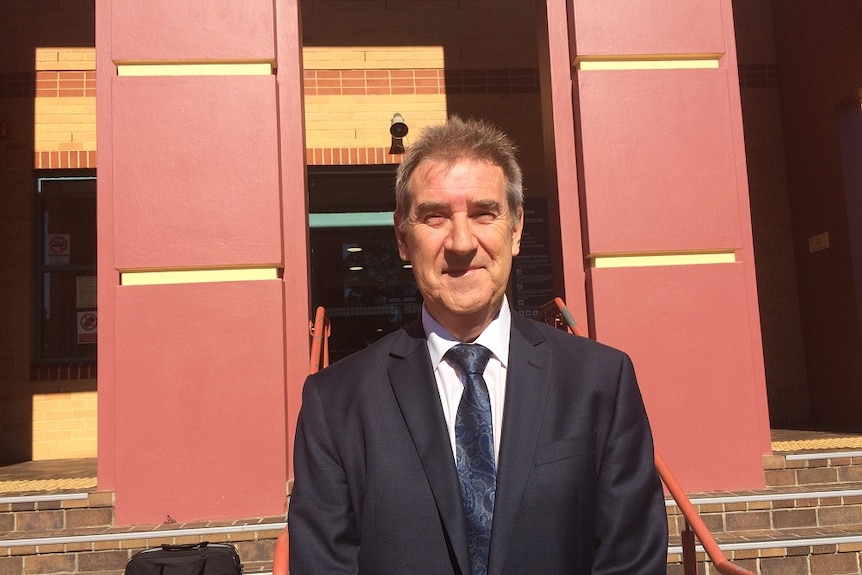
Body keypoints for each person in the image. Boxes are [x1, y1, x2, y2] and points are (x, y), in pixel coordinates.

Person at [288, 116, 668, 574]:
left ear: (517, 228)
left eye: (484, 213)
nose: (462, 243)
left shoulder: (601, 382)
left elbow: (631, 560)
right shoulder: (335, 403)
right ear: (402, 239)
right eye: (435, 216)